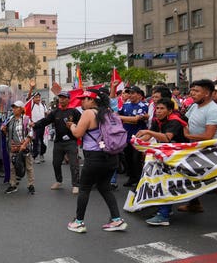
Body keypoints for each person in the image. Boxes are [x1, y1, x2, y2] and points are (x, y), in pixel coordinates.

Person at [179, 79, 217, 228]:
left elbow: (208, 136)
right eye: (192, 90)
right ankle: (195, 203)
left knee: (215, 183)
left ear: (207, 93)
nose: (192, 93)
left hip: (211, 151)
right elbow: (186, 122)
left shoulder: (213, 109)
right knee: (190, 175)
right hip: (195, 149)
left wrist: (188, 136)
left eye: (196, 91)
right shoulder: (194, 106)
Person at [66, 89, 127, 233]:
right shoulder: (109, 112)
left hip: (94, 157)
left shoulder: (88, 113)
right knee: (104, 187)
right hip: (112, 156)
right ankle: (116, 220)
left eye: (84, 99)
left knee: (84, 188)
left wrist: (72, 126)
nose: (81, 101)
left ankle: (79, 222)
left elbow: (77, 133)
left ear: (92, 100)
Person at [136, 97, 188, 226]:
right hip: (167, 155)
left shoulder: (174, 122)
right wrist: (138, 141)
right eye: (157, 108)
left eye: (162, 109)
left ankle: (164, 215)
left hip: (180, 155)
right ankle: (166, 210)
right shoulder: (157, 120)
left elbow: (166, 138)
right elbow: (150, 136)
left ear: (169, 111)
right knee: (167, 181)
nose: (158, 111)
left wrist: (147, 132)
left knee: (166, 182)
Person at [33, 91, 82, 193]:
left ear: (68, 99)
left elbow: (82, 123)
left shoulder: (74, 112)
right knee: (56, 163)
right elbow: (45, 121)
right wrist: (35, 124)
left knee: (74, 164)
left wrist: (74, 124)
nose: (62, 100)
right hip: (58, 142)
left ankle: (76, 184)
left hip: (71, 141)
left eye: (64, 98)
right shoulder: (55, 112)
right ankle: (59, 181)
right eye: (60, 98)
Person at [1, 100, 35, 195]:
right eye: (13, 107)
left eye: (16, 107)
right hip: (13, 146)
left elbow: (31, 133)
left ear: (21, 109)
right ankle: (13, 184)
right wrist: (4, 130)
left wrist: (24, 144)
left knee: (28, 166)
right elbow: (7, 133)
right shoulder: (10, 119)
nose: (14, 109)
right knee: (12, 167)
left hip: (24, 146)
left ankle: (31, 185)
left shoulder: (26, 119)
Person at [118, 85, 149, 187]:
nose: (130, 95)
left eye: (132, 93)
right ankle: (132, 178)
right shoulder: (126, 105)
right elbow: (117, 114)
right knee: (128, 158)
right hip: (126, 137)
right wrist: (123, 118)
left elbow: (136, 119)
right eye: (129, 93)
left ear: (139, 95)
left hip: (138, 137)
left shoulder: (143, 106)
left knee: (136, 159)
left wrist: (121, 118)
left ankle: (140, 180)